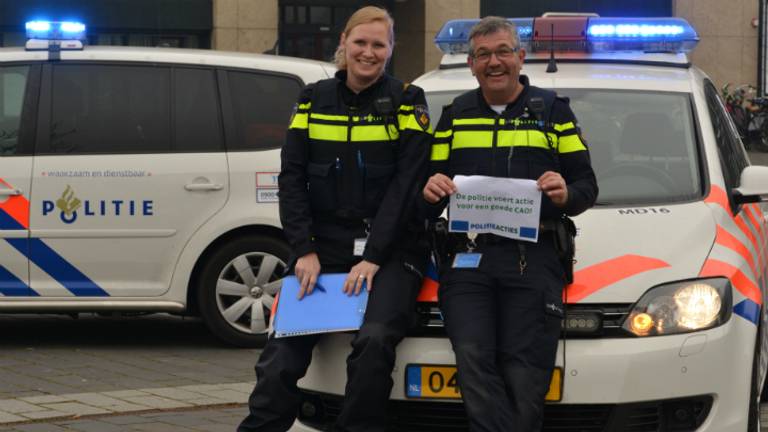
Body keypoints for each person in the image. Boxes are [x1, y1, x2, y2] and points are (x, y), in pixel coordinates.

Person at [238, 6, 432, 432]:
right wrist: (302, 250)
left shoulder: (406, 101)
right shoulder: (312, 99)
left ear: (391, 49)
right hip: (323, 251)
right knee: (281, 352)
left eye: (378, 44)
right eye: (360, 42)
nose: (368, 52)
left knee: (375, 341)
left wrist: (375, 257)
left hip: (391, 251)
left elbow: (405, 188)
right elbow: (291, 180)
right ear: (344, 42)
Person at [422, 17, 598, 431]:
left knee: (523, 375)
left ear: (520, 57)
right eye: (483, 54)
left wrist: (565, 193)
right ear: (471, 64)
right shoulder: (455, 115)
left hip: (533, 260)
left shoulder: (554, 112)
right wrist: (429, 190)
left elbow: (586, 186)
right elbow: (428, 192)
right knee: (472, 361)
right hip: (468, 260)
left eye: (503, 52)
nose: (494, 62)